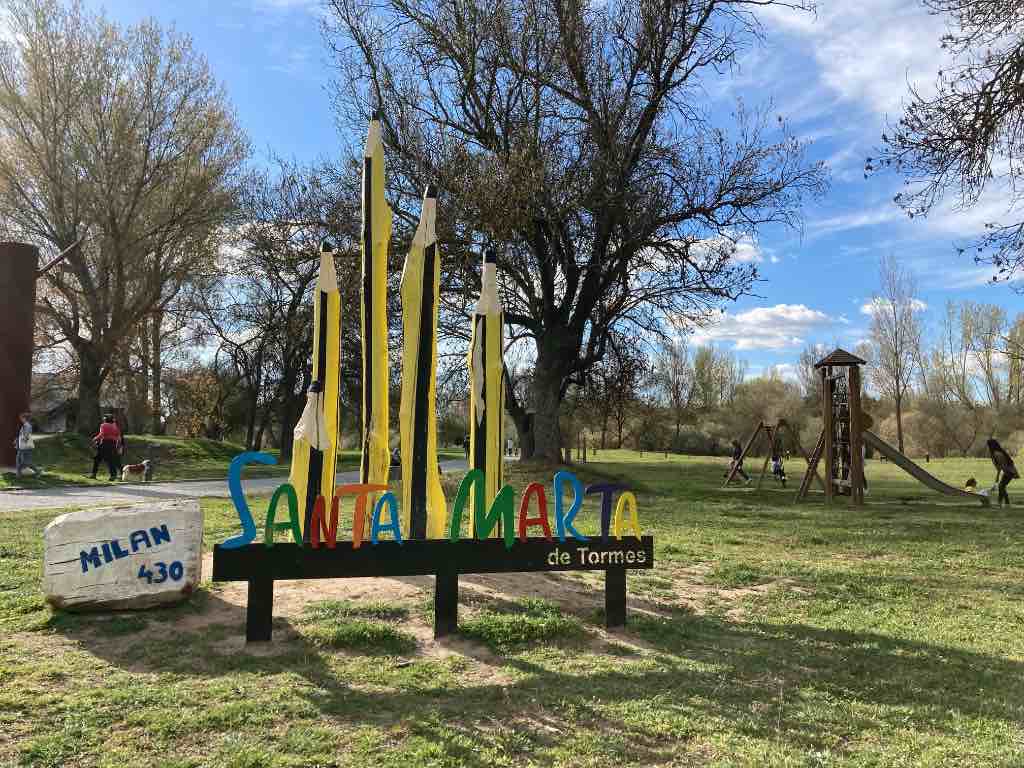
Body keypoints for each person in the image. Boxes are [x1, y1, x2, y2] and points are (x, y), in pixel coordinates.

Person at [986, 438, 1019, 507]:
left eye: (988, 445)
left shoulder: (997, 454)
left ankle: (1002, 502)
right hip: (1008, 471)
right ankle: (1003, 502)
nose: (988, 447)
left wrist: (997, 480)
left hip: (1009, 471)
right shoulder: (995, 454)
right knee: (1001, 486)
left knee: (1001, 486)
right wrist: (996, 480)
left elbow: (1002, 466)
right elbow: (1000, 467)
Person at [91, 414, 122, 481]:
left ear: (105, 419)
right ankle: (113, 476)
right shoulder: (116, 427)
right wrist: (118, 446)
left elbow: (102, 434)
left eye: (104, 419)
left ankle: (93, 474)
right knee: (111, 460)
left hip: (105, 443)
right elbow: (119, 438)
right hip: (113, 444)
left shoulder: (103, 425)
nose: (103, 419)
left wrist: (95, 439)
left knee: (97, 459)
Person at [13, 412, 41, 477]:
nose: (20, 419)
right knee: (19, 460)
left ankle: (37, 471)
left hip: (26, 446)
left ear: (25, 418)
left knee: (24, 461)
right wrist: (17, 440)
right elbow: (22, 435)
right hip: (22, 446)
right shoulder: (24, 425)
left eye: (21, 418)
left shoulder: (27, 426)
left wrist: (23, 439)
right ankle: (18, 474)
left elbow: (26, 435)